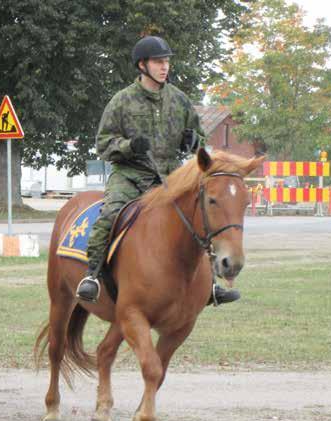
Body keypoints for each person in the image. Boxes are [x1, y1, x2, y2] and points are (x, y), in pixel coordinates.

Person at [75, 36, 240, 306]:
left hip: (170, 176)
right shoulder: (122, 101)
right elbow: (103, 145)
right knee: (110, 213)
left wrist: (193, 141)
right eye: (158, 62)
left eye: (167, 62)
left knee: (200, 217)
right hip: (130, 175)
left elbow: (199, 134)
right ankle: (91, 275)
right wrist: (129, 146)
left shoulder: (180, 100)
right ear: (142, 65)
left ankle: (210, 284)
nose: (165, 67)